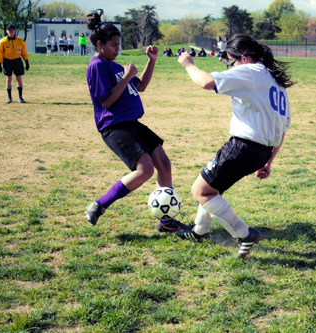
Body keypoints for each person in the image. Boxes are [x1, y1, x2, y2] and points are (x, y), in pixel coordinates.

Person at [176, 33, 294, 259]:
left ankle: (245, 234)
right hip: (261, 151)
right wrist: (268, 161)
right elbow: (282, 130)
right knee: (213, 187)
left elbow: (207, 82)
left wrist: (188, 64)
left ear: (244, 58)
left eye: (232, 61)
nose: (231, 66)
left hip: (243, 146)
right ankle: (201, 230)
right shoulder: (276, 84)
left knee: (200, 191)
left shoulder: (250, 72)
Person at [84, 9, 189, 233]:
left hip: (132, 123)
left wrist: (151, 62)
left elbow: (140, 86)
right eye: (113, 45)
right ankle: (99, 205)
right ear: (100, 45)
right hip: (114, 126)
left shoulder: (113, 64)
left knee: (163, 162)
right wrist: (125, 77)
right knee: (145, 170)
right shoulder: (97, 65)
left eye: (119, 45)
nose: (117, 49)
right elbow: (107, 102)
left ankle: (166, 221)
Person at [0, 24, 30, 104]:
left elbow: (24, 52)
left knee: (19, 78)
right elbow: (0, 53)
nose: (11, 32)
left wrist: (26, 61)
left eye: (12, 30)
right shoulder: (3, 41)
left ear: (15, 31)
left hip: (17, 61)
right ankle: (9, 97)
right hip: (7, 61)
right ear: (6, 31)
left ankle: (20, 97)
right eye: (9, 30)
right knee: (9, 79)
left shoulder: (20, 40)